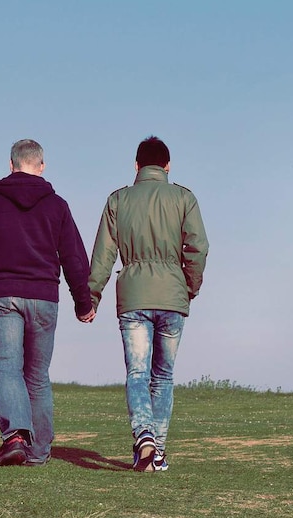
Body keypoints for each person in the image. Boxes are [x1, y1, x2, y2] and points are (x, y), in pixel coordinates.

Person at [0, 139, 95, 466]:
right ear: (41, 166)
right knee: (37, 375)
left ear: (11, 163)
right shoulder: (57, 205)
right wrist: (83, 302)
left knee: (6, 367)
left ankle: (16, 436)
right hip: (44, 297)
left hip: (2, 295)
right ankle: (39, 453)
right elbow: (74, 257)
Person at [88, 136, 209, 472]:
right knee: (163, 377)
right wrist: (190, 287)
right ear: (167, 166)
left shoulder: (117, 200)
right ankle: (157, 452)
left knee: (138, 374)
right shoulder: (184, 198)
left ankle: (145, 437)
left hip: (133, 298)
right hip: (173, 295)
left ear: (137, 166)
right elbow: (198, 247)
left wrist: (92, 294)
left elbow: (104, 254)